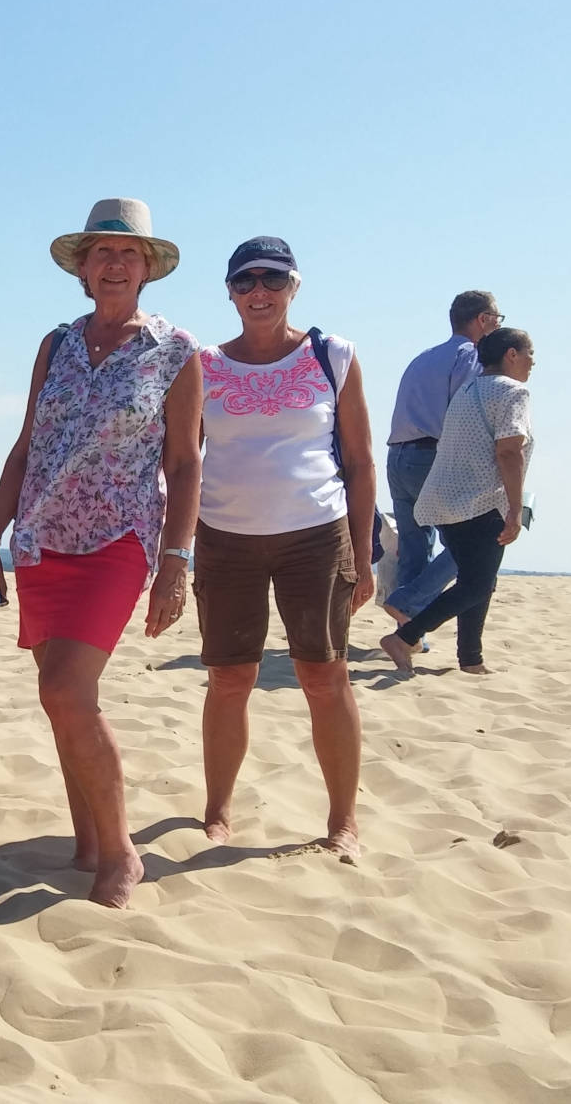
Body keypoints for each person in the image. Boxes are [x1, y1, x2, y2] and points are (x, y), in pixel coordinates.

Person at [0, 198, 201, 909]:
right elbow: (27, 446)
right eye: (102, 252)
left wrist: (177, 560)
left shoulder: (175, 350)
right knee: (63, 698)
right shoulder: (57, 343)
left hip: (118, 538)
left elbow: (185, 462)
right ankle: (89, 841)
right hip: (41, 538)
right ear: (83, 268)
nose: (115, 263)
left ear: (148, 268)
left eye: (129, 253)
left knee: (66, 690)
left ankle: (122, 852)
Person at [191, 237, 375, 858]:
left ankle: (343, 823)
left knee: (324, 676)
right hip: (225, 538)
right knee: (229, 678)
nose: (259, 292)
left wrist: (363, 554)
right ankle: (216, 813)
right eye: (245, 281)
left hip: (316, 536)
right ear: (230, 292)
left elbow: (360, 462)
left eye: (273, 279)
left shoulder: (332, 355)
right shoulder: (203, 364)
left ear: (294, 285)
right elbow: (183, 460)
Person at [380, 328, 537, 676]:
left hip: (444, 500)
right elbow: (509, 451)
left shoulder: (468, 390)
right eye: (529, 353)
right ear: (511, 354)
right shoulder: (514, 391)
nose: (533, 362)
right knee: (477, 584)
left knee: (479, 581)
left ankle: (471, 659)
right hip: (480, 502)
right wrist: (514, 510)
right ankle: (405, 637)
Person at [383, 291, 504, 628]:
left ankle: (408, 633)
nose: (498, 325)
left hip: (398, 456)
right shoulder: (471, 356)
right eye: (497, 318)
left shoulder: (424, 357)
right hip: (433, 456)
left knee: (414, 547)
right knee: (473, 544)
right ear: (483, 319)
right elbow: (467, 411)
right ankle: (408, 602)